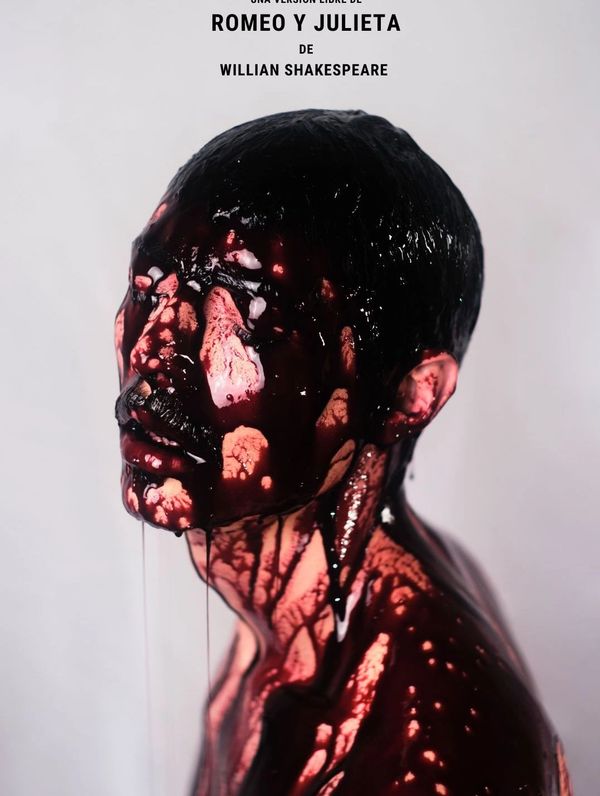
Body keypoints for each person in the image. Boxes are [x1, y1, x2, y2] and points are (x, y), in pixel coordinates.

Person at [114, 110, 572, 795]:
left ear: (411, 394)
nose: (153, 352)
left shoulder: (430, 744)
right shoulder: (292, 619)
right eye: (149, 284)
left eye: (251, 317)